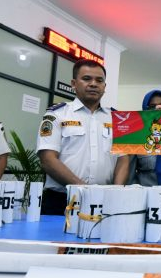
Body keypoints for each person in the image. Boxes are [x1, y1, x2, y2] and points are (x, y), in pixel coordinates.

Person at [37, 59, 118, 215]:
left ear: (104, 86)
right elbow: (48, 159)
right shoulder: (56, 114)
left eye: (99, 80)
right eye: (87, 79)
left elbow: (123, 159)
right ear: (74, 84)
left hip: (105, 199)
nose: (93, 84)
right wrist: (84, 190)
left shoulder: (116, 118)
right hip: (61, 200)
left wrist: (116, 192)